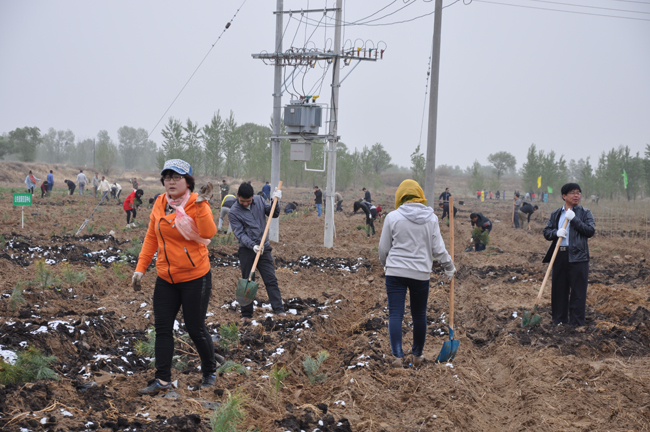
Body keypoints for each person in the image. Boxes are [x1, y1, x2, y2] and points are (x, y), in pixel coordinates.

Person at [132, 158, 217, 395]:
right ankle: (162, 380)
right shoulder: (159, 202)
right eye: (167, 177)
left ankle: (209, 371)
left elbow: (209, 232)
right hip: (166, 278)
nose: (171, 181)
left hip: (194, 277)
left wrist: (201, 205)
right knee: (162, 329)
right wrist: (141, 268)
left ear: (187, 181)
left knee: (195, 328)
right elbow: (151, 238)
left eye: (176, 177)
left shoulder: (196, 203)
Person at [379, 179, 455, 368]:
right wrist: (449, 267)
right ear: (420, 196)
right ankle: (417, 356)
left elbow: (383, 248)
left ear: (401, 197)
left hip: (395, 273)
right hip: (421, 273)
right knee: (419, 314)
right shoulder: (431, 218)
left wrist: (386, 264)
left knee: (396, 314)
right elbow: (438, 249)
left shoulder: (392, 217)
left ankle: (397, 357)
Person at [228, 182, 285, 321]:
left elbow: (273, 213)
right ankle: (246, 314)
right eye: (242, 201)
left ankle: (279, 310)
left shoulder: (259, 200)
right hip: (247, 250)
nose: (245, 204)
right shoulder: (234, 212)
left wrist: (274, 202)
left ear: (253, 197)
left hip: (264, 248)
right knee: (248, 280)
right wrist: (253, 245)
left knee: (271, 279)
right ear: (237, 197)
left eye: (248, 201)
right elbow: (240, 234)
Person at [543, 183, 595, 326]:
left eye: (578, 193)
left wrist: (575, 219)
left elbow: (590, 231)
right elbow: (546, 232)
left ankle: (576, 324)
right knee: (559, 290)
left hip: (578, 257)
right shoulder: (556, 214)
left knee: (578, 292)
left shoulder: (585, 213)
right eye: (573, 193)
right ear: (564, 196)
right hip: (559, 256)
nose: (576, 195)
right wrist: (556, 232)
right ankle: (559, 321)